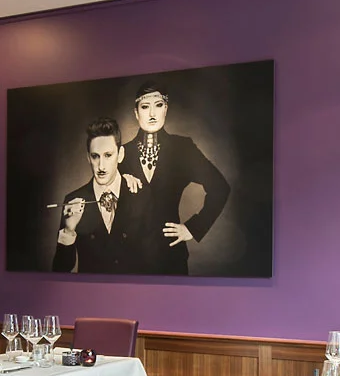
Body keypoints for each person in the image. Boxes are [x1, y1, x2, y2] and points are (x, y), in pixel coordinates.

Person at [119, 84, 230, 275]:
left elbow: (220, 187)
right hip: (127, 258)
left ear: (166, 109)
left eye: (158, 105)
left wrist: (193, 228)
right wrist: (118, 181)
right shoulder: (121, 152)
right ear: (136, 113)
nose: (152, 113)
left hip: (170, 256)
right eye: (145, 107)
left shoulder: (182, 148)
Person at [51, 118, 143, 273]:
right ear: (88, 157)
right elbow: (60, 269)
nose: (101, 166)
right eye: (95, 156)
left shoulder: (141, 195)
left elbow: (153, 260)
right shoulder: (73, 201)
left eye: (108, 155)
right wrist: (69, 230)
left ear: (120, 155)